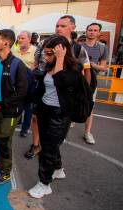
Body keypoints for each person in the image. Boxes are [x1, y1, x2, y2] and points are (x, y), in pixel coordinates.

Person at [27, 15, 92, 159]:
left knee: (54, 138)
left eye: (63, 26)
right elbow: (36, 64)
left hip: (62, 100)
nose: (58, 28)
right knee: (36, 119)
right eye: (57, 25)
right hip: (44, 89)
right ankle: (36, 145)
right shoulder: (44, 43)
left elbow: (84, 73)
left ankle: (52, 161)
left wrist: (83, 96)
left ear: (72, 28)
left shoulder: (78, 48)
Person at [28, 35, 81, 198]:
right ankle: (58, 169)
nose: (46, 56)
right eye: (45, 53)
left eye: (50, 53)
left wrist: (60, 59)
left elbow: (61, 82)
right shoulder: (49, 65)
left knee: (48, 150)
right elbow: (44, 87)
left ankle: (44, 184)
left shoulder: (73, 68)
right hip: (45, 110)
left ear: (62, 52)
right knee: (48, 144)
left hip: (59, 114)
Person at [0, 29, 28, 185]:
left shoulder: (18, 65)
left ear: (6, 43)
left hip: (11, 111)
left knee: (4, 139)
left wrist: (1, 103)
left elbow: (22, 92)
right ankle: (0, 161)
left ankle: (5, 171)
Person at [82, 22, 109, 145]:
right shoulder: (79, 46)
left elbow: (104, 67)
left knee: (90, 107)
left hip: (92, 82)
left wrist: (92, 65)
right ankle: (67, 127)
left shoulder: (102, 48)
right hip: (77, 81)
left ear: (98, 33)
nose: (92, 32)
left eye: (95, 30)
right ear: (86, 31)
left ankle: (87, 132)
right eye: (90, 30)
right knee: (71, 104)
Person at [12, 31, 37, 138]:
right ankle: (18, 120)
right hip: (17, 84)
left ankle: (25, 128)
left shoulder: (36, 51)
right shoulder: (15, 51)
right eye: (19, 38)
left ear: (29, 39)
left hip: (30, 84)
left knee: (28, 108)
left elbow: (37, 66)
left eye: (22, 38)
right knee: (18, 104)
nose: (20, 40)